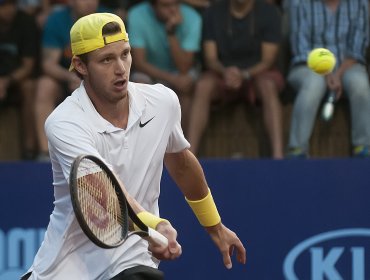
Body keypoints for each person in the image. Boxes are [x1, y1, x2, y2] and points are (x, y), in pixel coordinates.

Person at [23, 12, 246, 279]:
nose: (120, 68)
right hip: (69, 267)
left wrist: (215, 225)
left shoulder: (162, 101)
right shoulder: (64, 122)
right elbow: (105, 194)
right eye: (106, 59)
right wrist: (155, 225)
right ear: (80, 66)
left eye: (125, 54)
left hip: (133, 256)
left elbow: (182, 164)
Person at [187, 0, 285, 159]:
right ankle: (189, 156)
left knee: (268, 86)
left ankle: (278, 156)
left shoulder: (270, 13)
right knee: (203, 85)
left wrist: (244, 74)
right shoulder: (213, 13)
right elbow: (210, 58)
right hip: (222, 73)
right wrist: (225, 72)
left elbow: (268, 60)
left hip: (258, 74)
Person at [287, 0, 370, 158]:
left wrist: (337, 74)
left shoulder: (360, 3)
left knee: (360, 84)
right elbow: (301, 48)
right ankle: (297, 150)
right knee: (314, 84)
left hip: (348, 65)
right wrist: (327, 74)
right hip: (308, 65)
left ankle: (363, 147)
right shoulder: (299, 3)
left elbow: (357, 49)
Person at [34, 0, 110, 161]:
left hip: (100, 77)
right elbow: (48, 64)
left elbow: (113, 60)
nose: (90, 3)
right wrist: (71, 76)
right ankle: (46, 153)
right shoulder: (57, 20)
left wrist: (87, 78)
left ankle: (105, 151)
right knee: (44, 86)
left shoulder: (108, 19)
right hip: (66, 77)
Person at [127, 0, 202, 131]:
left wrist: (171, 32)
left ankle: (181, 144)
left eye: (175, 4)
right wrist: (172, 79)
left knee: (186, 85)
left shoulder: (192, 17)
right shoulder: (137, 15)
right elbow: (139, 62)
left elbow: (184, 67)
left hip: (180, 72)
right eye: (166, 6)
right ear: (153, 6)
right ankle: (147, 141)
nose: (172, 9)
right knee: (139, 83)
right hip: (150, 71)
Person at [0, 0, 40, 159]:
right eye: (3, 5)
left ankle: (29, 148)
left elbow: (28, 65)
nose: (8, 9)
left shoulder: (26, 22)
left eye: (11, 4)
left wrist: (6, 81)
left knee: (29, 86)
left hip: (16, 78)